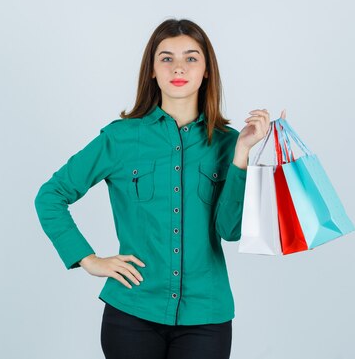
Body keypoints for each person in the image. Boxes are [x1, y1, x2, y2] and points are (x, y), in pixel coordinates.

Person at [34, 18, 286, 359]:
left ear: (207, 70)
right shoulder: (120, 138)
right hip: (132, 312)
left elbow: (230, 231)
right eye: (166, 58)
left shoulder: (228, 143)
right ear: (152, 70)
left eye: (191, 57)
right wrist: (88, 259)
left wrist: (243, 155)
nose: (178, 67)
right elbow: (51, 195)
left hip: (206, 316)